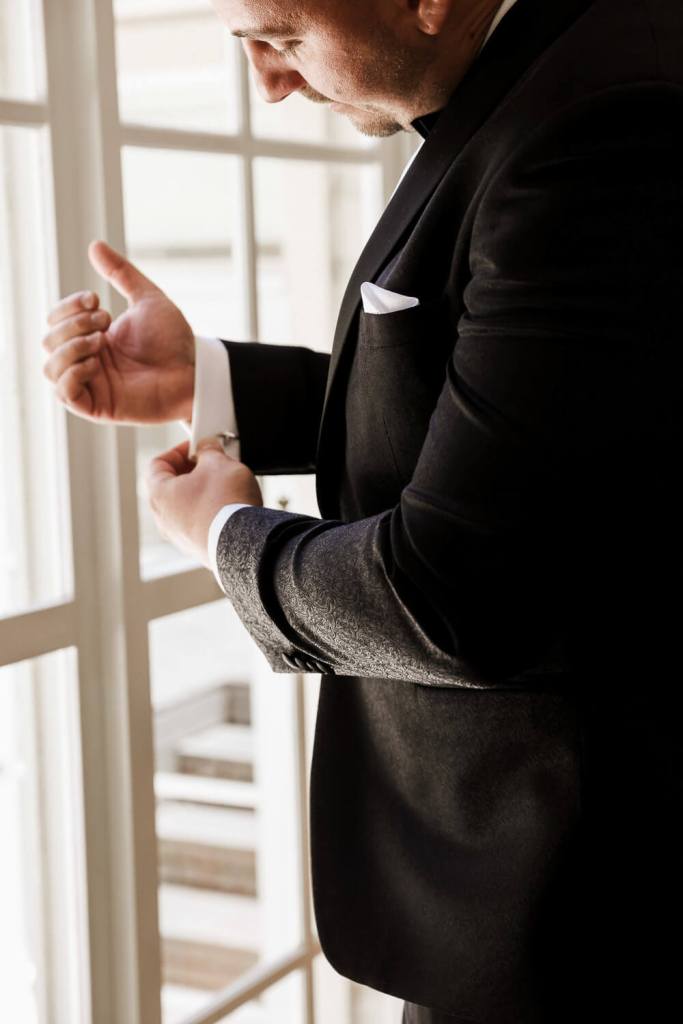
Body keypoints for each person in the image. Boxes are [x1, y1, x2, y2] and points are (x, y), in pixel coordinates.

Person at [42, 0, 683, 1020]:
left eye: (284, 38)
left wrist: (225, 535)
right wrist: (202, 379)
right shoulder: (543, 78)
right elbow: (510, 411)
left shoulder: (598, 124)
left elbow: (453, 594)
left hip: (579, 906)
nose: (270, 84)